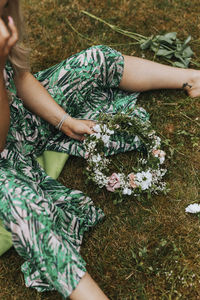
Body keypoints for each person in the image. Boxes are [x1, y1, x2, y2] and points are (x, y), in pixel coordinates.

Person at [0, 0, 199, 299]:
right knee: (22, 206)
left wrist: (64, 122)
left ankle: (192, 78)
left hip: (16, 121)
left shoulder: (5, 22)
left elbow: (22, 77)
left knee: (95, 59)